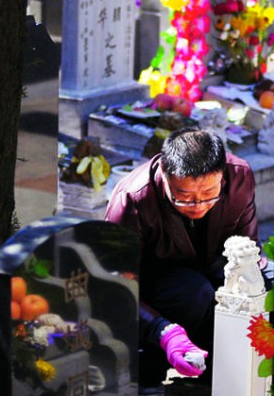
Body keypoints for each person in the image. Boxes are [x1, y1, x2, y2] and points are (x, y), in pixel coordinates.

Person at [105, 128, 257, 390]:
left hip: (212, 269)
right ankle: (149, 372)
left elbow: (250, 250)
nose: (198, 205)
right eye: (184, 197)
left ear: (222, 174)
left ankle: (223, 374)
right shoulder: (133, 198)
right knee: (194, 292)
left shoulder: (239, 177)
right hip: (157, 288)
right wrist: (161, 330)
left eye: (210, 193)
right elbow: (115, 285)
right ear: (164, 173)